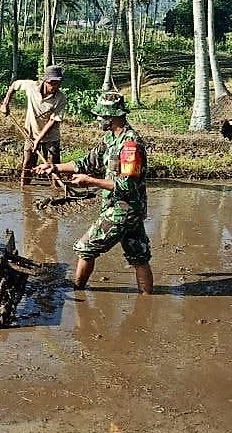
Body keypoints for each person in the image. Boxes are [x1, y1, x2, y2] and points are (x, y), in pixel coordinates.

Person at [33, 91, 152, 295]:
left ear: (112, 116)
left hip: (123, 210)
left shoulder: (130, 146)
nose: (97, 120)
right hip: (127, 209)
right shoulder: (110, 138)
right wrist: (55, 167)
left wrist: (89, 181)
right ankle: (147, 302)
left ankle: (76, 292)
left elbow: (126, 186)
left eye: (100, 116)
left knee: (85, 249)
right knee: (138, 257)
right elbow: (87, 162)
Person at [0, 64, 67, 186]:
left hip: (51, 136)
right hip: (30, 134)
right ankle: (25, 190)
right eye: (52, 83)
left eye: (58, 83)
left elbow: (52, 121)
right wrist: (5, 103)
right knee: (27, 164)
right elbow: (14, 85)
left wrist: (38, 140)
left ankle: (57, 191)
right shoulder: (32, 86)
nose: (55, 86)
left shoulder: (61, 98)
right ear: (45, 80)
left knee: (53, 165)